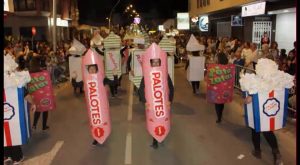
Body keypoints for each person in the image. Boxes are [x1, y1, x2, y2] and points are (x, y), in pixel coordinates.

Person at [4, 55, 37, 164]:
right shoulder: (15, 82)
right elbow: (25, 93)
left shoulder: (14, 81)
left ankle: (8, 155)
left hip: (8, 114)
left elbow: (25, 93)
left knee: (7, 132)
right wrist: (33, 103)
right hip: (12, 113)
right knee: (12, 131)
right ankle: (15, 156)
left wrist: (32, 103)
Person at [138, 58, 174, 149]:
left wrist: (170, 100)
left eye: (157, 62)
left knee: (162, 120)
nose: (156, 64)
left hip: (162, 104)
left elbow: (171, 87)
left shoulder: (165, 73)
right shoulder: (147, 74)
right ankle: (155, 140)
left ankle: (161, 135)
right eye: (153, 62)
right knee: (154, 120)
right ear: (151, 63)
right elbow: (141, 88)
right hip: (152, 104)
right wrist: (144, 101)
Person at [244, 96, 283, 165]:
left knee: (255, 127)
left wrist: (252, 95)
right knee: (266, 129)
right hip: (267, 102)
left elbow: (258, 85)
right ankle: (276, 154)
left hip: (257, 101)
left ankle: (257, 151)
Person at [86, 64, 113, 146]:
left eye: (94, 69)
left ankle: (104, 133)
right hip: (93, 106)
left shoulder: (101, 78)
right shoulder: (87, 79)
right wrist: (73, 79)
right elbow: (79, 85)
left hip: (101, 105)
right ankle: (96, 137)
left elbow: (112, 83)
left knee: (102, 119)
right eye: (90, 69)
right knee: (95, 121)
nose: (92, 70)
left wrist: (115, 76)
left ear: (97, 69)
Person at [29, 56, 50, 131]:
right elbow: (48, 82)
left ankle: (34, 125)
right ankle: (44, 126)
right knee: (45, 109)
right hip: (44, 94)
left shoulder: (29, 73)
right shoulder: (43, 72)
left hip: (35, 94)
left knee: (37, 109)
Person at [215, 52, 229, 123]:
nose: (216, 58)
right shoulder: (227, 66)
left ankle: (219, 117)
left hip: (218, 87)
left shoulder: (216, 67)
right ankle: (219, 115)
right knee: (221, 102)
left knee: (217, 103)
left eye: (217, 57)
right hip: (224, 87)